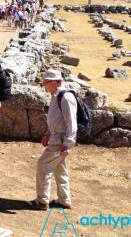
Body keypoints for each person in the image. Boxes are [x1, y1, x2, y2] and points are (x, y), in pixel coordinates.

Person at [27, 69, 77, 211]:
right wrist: (48, 133)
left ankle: (42, 201)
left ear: (55, 82)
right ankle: (64, 200)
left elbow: (71, 124)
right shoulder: (56, 96)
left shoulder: (66, 98)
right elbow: (56, 118)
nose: (44, 85)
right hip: (56, 137)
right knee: (60, 169)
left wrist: (67, 145)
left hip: (60, 140)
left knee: (43, 165)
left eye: (46, 82)